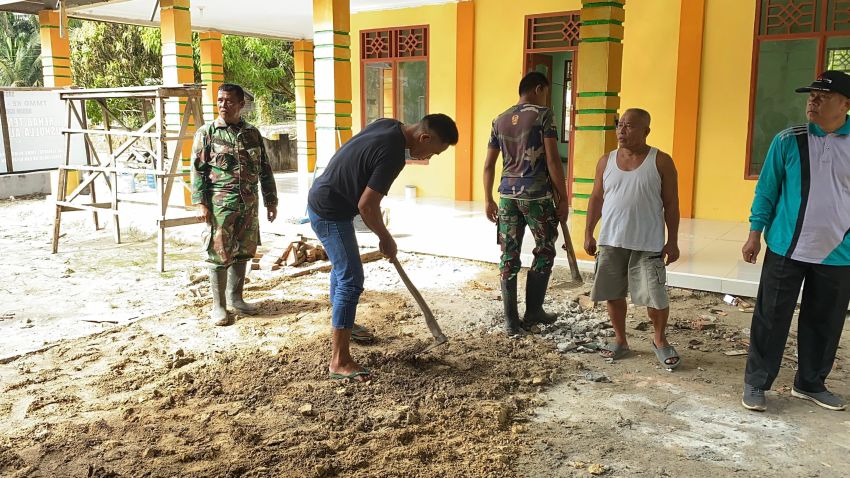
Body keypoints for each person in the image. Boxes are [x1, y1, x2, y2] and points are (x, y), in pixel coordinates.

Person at [307, 114, 458, 381]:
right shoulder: (393, 155)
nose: (427, 158)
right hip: (330, 209)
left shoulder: (388, 124)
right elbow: (367, 206)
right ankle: (339, 361)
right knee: (351, 278)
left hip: (328, 196)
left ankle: (345, 323)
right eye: (431, 153)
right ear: (424, 137)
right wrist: (386, 238)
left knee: (343, 270)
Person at [741, 70, 850, 412]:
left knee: (825, 321)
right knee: (771, 317)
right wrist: (754, 234)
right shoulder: (788, 139)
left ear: (845, 104)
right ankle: (757, 382)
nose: (813, 101)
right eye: (811, 95)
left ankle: (810, 383)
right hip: (787, 247)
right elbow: (767, 191)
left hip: (838, 252)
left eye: (823, 96)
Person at [584, 108, 681, 368]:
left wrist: (672, 241)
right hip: (611, 240)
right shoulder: (606, 161)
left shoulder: (661, 161)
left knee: (655, 296)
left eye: (629, 126)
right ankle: (620, 341)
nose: (621, 131)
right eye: (620, 125)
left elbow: (671, 204)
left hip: (647, 242)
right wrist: (588, 232)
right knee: (613, 294)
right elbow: (596, 198)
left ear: (646, 131)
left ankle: (659, 341)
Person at [483, 71, 570, 335]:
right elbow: (553, 160)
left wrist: (487, 198)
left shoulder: (499, 120)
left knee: (508, 255)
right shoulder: (543, 115)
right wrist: (563, 198)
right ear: (539, 88)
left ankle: (511, 322)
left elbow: (488, 165)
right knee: (544, 251)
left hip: (507, 197)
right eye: (546, 91)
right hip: (536, 197)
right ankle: (533, 311)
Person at [191, 83, 278, 326]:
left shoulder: (252, 133)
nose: (223, 105)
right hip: (220, 205)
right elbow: (197, 171)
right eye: (219, 100)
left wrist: (271, 201)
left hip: (249, 205)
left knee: (243, 251)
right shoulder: (207, 133)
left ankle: (236, 299)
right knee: (218, 252)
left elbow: (265, 169)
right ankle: (218, 306)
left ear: (241, 105)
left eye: (229, 101)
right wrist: (200, 203)